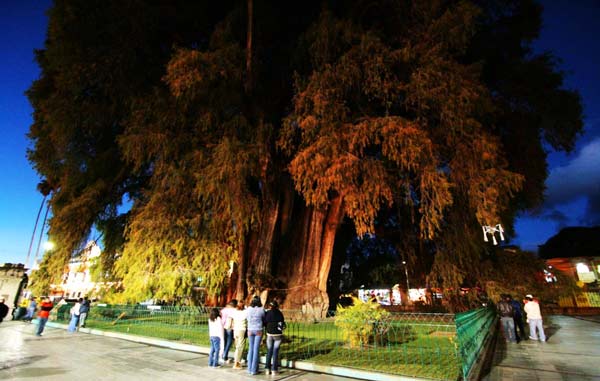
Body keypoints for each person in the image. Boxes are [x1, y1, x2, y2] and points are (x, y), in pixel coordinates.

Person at [264, 300, 286, 376]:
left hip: (269, 334)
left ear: (270, 306)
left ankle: (267, 368)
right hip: (278, 334)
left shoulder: (268, 313)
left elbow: (265, 322)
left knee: (269, 351)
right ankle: (274, 369)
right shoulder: (280, 313)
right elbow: (282, 323)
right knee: (275, 351)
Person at [246, 296, 265, 375]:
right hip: (258, 330)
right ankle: (254, 370)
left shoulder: (249, 309)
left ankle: (249, 368)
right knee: (256, 349)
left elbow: (247, 318)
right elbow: (263, 318)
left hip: (250, 329)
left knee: (251, 349)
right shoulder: (261, 309)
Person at [220, 299, 237, 364]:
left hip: (224, 327)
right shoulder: (234, 310)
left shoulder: (224, 310)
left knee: (225, 341)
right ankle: (225, 355)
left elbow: (222, 318)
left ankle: (223, 354)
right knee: (229, 342)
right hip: (230, 327)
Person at [232, 301, 247, 370]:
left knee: (237, 346)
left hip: (235, 330)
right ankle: (236, 363)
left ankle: (236, 361)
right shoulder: (244, 313)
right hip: (241, 330)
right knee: (240, 347)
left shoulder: (235, 312)